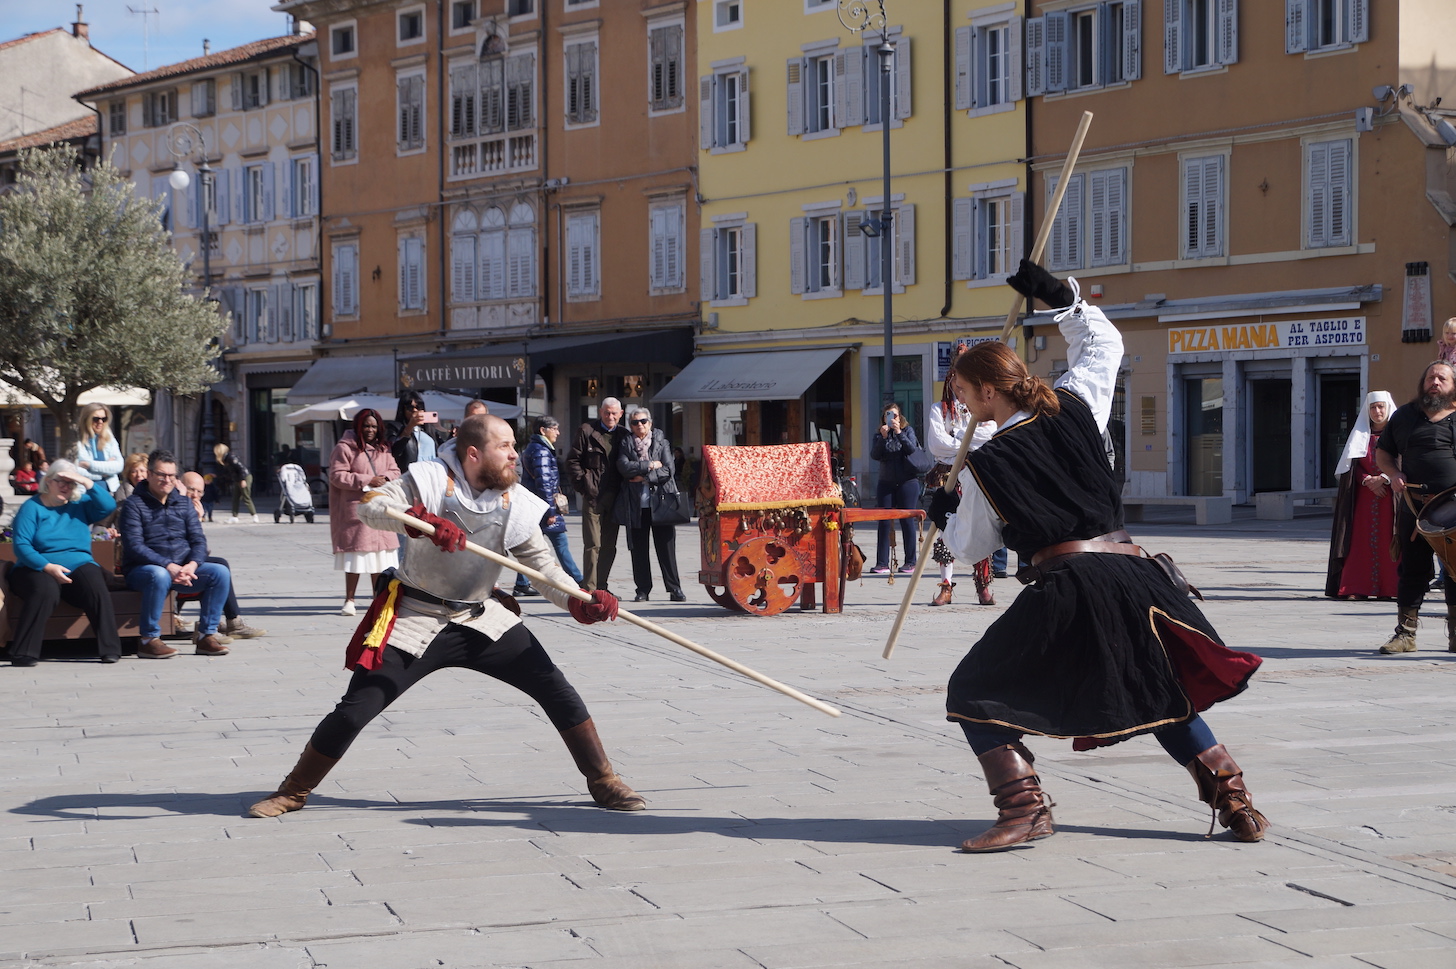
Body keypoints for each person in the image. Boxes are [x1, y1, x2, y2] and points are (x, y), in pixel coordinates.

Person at [931, 260, 1268, 852]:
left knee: (971, 692)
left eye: (962, 394)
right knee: (1162, 691)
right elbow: (1103, 344)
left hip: (1071, 586)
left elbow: (970, 547)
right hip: (1136, 574)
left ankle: (1024, 811)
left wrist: (943, 511)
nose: (961, 408)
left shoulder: (990, 463)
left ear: (989, 390)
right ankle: (1236, 804)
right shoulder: (1076, 402)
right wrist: (1064, 301)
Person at [246, 415, 644, 818]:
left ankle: (604, 779)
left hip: (482, 616)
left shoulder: (517, 502)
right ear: (474, 453)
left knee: (555, 688)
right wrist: (420, 521)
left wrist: (580, 598)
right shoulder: (430, 479)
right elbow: (372, 507)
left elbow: (545, 571)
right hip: (415, 616)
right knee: (357, 708)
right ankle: (294, 790)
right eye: (504, 446)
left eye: (513, 446)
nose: (514, 455)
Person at [1373, 361, 1456, 653]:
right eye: (1431, 377)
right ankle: (1405, 635)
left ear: (1453, 385)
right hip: (1414, 507)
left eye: (1442, 378)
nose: (1435, 382)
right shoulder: (1406, 416)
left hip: (1453, 511)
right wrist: (1393, 474)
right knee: (1411, 571)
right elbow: (1383, 451)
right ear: (1423, 382)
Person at [5, 460, 121, 666]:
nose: (66, 486)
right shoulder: (32, 507)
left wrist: (84, 480)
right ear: (48, 481)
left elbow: (109, 505)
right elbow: (21, 546)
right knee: (46, 589)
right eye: (61, 481)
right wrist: (48, 567)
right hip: (35, 567)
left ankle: (110, 650)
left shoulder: (80, 505)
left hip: (78, 564)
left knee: (95, 583)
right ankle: (23, 652)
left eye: (71, 483)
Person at [119, 449, 232, 658]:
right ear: (150, 474)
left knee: (219, 572)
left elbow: (198, 540)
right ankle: (148, 639)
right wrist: (168, 566)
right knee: (159, 574)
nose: (166, 480)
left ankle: (206, 636)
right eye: (161, 474)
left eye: (171, 476)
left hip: (182, 569)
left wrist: (192, 565)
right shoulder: (133, 505)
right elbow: (134, 545)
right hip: (143, 571)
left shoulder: (183, 503)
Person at [925, 351, 997, 606]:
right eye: (956, 383)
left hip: (976, 475)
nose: (959, 389)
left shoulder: (982, 409)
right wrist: (965, 441)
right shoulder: (939, 409)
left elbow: (988, 437)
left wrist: (956, 434)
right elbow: (937, 445)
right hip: (948, 476)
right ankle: (946, 586)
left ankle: (983, 586)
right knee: (945, 528)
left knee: (980, 526)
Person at [178, 471, 269, 642]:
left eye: (200, 492)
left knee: (219, 566)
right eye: (191, 490)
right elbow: (180, 547)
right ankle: (229, 624)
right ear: (180, 486)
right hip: (172, 564)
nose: (195, 495)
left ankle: (229, 623)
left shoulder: (189, 508)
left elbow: (198, 546)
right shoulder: (176, 506)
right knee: (219, 567)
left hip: (185, 561)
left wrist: (196, 520)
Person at [1326, 391, 1400, 600]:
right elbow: (1352, 465)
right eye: (1373, 407)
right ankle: (1357, 586)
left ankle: (1389, 588)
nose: (1378, 411)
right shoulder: (1360, 435)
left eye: (1381, 407)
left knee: (1390, 538)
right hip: (1364, 497)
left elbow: (1404, 459)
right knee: (1360, 540)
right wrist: (1367, 479)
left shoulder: (1399, 434)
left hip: (1390, 496)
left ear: (1388, 408)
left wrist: (1384, 478)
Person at [329, 409, 401, 617]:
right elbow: (337, 475)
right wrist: (367, 480)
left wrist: (384, 478)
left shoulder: (384, 448)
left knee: (379, 558)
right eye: (366, 426)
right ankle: (349, 599)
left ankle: (377, 600)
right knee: (356, 556)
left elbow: (395, 471)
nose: (370, 430)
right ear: (358, 426)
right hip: (357, 508)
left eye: (373, 426)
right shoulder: (345, 447)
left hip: (381, 508)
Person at [614, 408, 686, 603]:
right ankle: (643, 590)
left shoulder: (662, 442)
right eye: (635, 422)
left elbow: (668, 470)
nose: (640, 425)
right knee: (638, 549)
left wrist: (643, 477)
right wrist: (650, 465)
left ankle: (674, 588)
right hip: (636, 504)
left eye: (643, 421)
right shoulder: (626, 443)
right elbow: (623, 467)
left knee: (666, 548)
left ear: (650, 423)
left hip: (661, 502)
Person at [514, 415, 584, 597]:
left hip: (535, 506)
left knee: (531, 546)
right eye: (554, 428)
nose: (558, 432)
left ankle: (521, 583)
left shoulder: (534, 448)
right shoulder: (542, 451)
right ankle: (579, 580)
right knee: (560, 544)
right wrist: (550, 511)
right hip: (543, 507)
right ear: (543, 430)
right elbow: (544, 483)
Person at [566, 397, 627, 593]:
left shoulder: (624, 434)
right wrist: (584, 485)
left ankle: (602, 586)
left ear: (620, 414)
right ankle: (589, 588)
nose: (610, 416)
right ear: (601, 412)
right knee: (593, 544)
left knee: (609, 545)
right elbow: (572, 461)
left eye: (614, 413)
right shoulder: (587, 431)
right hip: (593, 497)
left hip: (615, 497)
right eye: (607, 412)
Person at [869, 402, 924, 575]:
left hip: (908, 482)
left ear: (900, 417)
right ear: (883, 418)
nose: (891, 418)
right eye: (887, 415)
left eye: (894, 415)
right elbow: (875, 455)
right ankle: (882, 563)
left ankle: (910, 562)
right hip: (886, 482)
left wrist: (899, 432)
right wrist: (883, 438)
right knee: (884, 521)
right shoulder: (879, 434)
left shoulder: (907, 431)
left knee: (907, 521)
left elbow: (911, 449)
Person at [70, 402, 123, 494]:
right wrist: (104, 473)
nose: (100, 422)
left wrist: (89, 465)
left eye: (104, 419)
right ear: (86, 419)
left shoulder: (109, 438)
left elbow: (119, 466)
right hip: (85, 493)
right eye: (96, 419)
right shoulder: (76, 440)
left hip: (110, 492)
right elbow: (76, 470)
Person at [391, 390, 443, 474]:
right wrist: (410, 426)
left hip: (430, 475)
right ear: (403, 409)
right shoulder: (395, 427)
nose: (415, 410)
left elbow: (441, 449)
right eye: (410, 408)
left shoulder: (428, 429)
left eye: (418, 407)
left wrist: (452, 435)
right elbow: (394, 451)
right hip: (409, 475)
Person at [213, 443, 258, 524]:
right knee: (235, 497)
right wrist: (217, 475)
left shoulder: (230, 457)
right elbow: (227, 472)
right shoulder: (226, 458)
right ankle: (234, 516)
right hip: (238, 479)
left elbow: (240, 468)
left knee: (246, 497)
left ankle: (254, 515)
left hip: (244, 477)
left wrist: (243, 480)